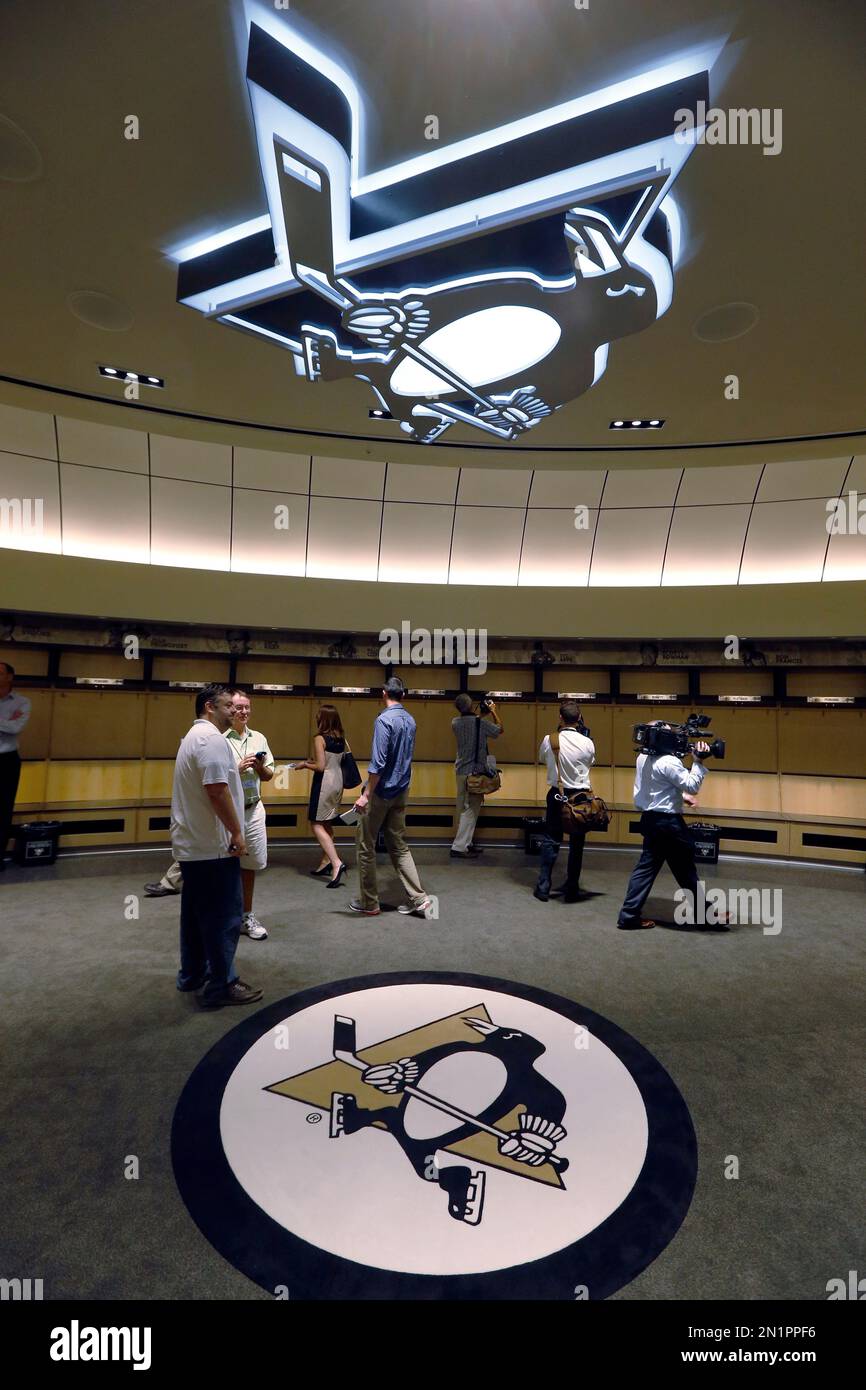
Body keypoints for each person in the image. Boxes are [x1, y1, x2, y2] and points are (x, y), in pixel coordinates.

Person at [171, 683, 262, 1007]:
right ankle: (221, 985)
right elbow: (216, 790)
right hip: (212, 847)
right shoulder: (210, 740)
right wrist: (237, 833)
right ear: (210, 706)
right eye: (228, 706)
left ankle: (192, 974)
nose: (234, 711)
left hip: (195, 845)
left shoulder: (192, 738)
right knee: (224, 916)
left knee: (196, 915)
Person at [616, 722, 728, 931]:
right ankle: (705, 916)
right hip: (668, 824)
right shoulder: (669, 762)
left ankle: (629, 915)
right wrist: (698, 761)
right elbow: (692, 785)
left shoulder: (642, 757)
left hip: (651, 820)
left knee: (651, 869)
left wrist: (680, 796)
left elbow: (655, 785)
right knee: (684, 869)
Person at [349, 676, 434, 918]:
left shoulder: (383, 721)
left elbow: (378, 764)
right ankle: (420, 898)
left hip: (381, 792)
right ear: (403, 695)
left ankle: (370, 902)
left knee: (365, 846)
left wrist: (366, 795)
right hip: (402, 791)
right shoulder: (411, 720)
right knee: (399, 846)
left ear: (383, 693)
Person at [225, 689, 275, 939]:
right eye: (238, 707)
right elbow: (214, 779)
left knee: (250, 865)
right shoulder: (220, 739)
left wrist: (259, 767)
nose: (244, 712)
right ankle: (224, 917)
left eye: (247, 707)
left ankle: (247, 915)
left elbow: (269, 775)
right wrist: (237, 768)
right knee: (224, 865)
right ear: (228, 709)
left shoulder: (259, 739)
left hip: (253, 808)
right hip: (227, 812)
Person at [535, 702, 596, 902]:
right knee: (577, 844)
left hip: (557, 795)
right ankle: (572, 888)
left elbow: (544, 759)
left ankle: (543, 887)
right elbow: (590, 763)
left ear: (560, 718)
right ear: (579, 719)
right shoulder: (588, 742)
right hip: (581, 798)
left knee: (551, 840)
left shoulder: (550, 740)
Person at [295, 703, 350, 887]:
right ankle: (325, 862)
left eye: (318, 715)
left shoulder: (319, 738)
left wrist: (304, 764)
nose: (316, 717)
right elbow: (331, 761)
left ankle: (336, 863)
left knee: (316, 824)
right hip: (338, 783)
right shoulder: (341, 738)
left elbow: (320, 766)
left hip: (324, 784)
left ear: (324, 718)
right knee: (327, 822)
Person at [450, 693, 502, 858]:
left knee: (466, 808)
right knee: (470, 811)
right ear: (471, 705)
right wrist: (493, 711)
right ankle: (458, 847)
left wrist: (481, 716)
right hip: (474, 773)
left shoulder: (455, 723)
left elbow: (472, 724)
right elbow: (499, 730)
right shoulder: (481, 723)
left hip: (461, 772)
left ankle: (467, 843)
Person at [0, 661, 31, 871]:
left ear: (10, 677)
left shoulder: (21, 702)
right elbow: (8, 724)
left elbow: (15, 728)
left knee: (3, 808)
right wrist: (4, 721)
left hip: (6, 760)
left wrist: (7, 724)